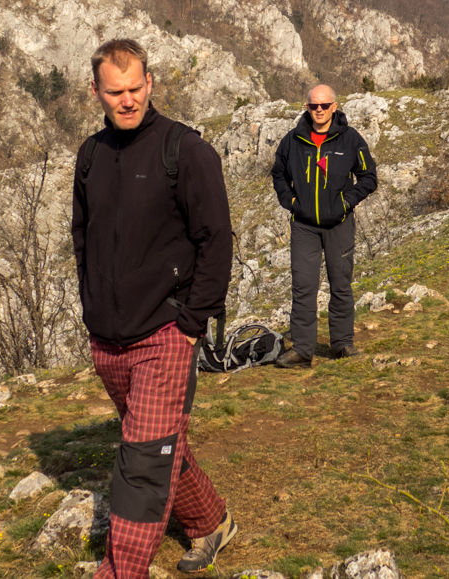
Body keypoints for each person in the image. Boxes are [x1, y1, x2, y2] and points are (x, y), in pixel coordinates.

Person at [72, 39, 237, 578]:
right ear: (96, 91)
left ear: (151, 83)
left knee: (143, 459)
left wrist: (192, 322)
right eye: (115, 91)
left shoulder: (185, 151)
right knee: (159, 443)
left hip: (166, 332)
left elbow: (216, 239)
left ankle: (120, 571)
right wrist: (92, 307)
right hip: (108, 338)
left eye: (135, 88)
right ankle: (211, 522)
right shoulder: (91, 155)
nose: (127, 100)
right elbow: (83, 238)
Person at [270, 85, 378, 368]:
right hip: (304, 227)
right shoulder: (292, 140)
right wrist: (292, 202)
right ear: (306, 108)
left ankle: (342, 345)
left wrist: (346, 203)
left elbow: (368, 177)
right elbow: (278, 173)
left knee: (340, 284)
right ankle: (303, 351)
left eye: (324, 105)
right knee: (303, 287)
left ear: (335, 106)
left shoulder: (350, 139)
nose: (319, 110)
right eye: (313, 106)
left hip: (339, 225)